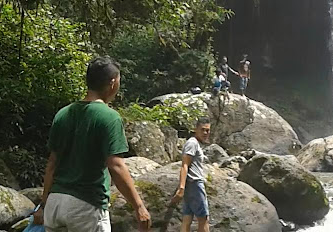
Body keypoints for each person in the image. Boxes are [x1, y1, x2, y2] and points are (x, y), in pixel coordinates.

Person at [34, 56, 151, 231]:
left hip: (55, 204)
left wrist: (43, 205)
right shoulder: (109, 117)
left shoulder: (63, 114)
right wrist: (139, 206)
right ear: (112, 83)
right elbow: (116, 165)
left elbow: (52, 164)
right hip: (85, 206)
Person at [171, 117, 211, 232]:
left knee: (187, 218)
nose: (205, 133)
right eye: (202, 130)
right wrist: (181, 188)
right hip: (195, 183)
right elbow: (184, 165)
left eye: (207, 130)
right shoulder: (192, 143)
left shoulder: (195, 143)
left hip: (191, 184)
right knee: (203, 219)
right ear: (195, 129)